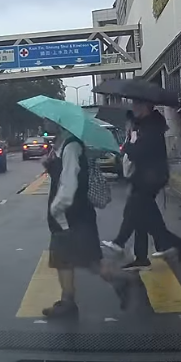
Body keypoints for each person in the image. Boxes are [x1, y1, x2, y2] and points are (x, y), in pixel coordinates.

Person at [41, 129, 129, 318]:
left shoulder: (71, 147)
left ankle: (122, 280)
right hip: (74, 214)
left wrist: (56, 209)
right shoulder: (63, 146)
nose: (45, 124)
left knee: (86, 260)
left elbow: (69, 184)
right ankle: (67, 301)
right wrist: (50, 166)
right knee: (64, 258)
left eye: (49, 121)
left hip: (72, 214)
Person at [103, 101, 181, 269]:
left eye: (137, 106)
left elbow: (139, 152)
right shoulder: (145, 125)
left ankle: (120, 242)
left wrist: (128, 145)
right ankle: (149, 252)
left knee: (134, 210)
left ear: (146, 108)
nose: (134, 108)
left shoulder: (152, 127)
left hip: (150, 177)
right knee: (143, 215)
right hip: (144, 176)